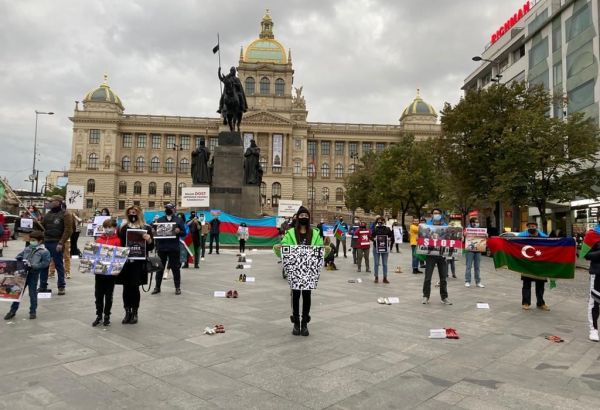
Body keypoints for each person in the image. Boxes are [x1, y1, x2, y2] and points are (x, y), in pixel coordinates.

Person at [273, 206, 326, 336]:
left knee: (307, 295)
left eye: (305, 216)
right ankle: (296, 323)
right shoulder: (290, 233)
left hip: (309, 270)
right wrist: (281, 247)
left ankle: (305, 323)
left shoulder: (315, 233)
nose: (303, 218)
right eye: (301, 216)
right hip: (295, 269)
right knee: (295, 295)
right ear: (297, 217)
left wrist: (324, 249)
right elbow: (284, 247)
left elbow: (319, 248)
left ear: (308, 218)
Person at [117, 206, 154, 324]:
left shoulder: (146, 228)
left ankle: (135, 312)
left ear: (139, 214)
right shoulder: (123, 228)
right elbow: (119, 244)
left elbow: (151, 247)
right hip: (126, 262)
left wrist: (148, 240)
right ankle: (127, 311)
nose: (132, 215)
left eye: (134, 213)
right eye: (130, 213)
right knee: (126, 288)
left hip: (138, 263)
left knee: (135, 287)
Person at [4, 231, 51, 321]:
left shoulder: (44, 252)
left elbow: (46, 263)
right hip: (23, 274)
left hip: (33, 274)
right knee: (17, 292)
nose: (31, 242)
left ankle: (32, 311)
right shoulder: (28, 248)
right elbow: (20, 255)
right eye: (31, 240)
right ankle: (12, 311)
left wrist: (36, 266)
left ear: (40, 241)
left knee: (32, 294)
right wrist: (18, 258)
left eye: (33, 240)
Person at [39, 195, 73, 295]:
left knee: (59, 265)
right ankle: (42, 286)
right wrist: (36, 222)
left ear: (58, 202)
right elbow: (42, 226)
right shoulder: (48, 214)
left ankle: (61, 286)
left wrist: (61, 242)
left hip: (57, 243)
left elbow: (68, 230)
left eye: (52, 201)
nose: (50, 203)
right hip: (46, 242)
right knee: (44, 265)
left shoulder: (66, 214)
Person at [152, 204, 186, 295]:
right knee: (159, 269)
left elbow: (184, 233)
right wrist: (153, 231)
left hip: (174, 248)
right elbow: (155, 233)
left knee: (175, 268)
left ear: (174, 209)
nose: (168, 210)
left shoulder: (178, 220)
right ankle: (157, 287)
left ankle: (177, 287)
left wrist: (179, 232)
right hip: (162, 248)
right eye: (166, 208)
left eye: (170, 208)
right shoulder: (159, 220)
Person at [93, 219, 121, 327]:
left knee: (109, 296)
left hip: (110, 273)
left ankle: (107, 316)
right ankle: (99, 315)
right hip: (99, 272)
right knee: (98, 295)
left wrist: (117, 269)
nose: (108, 229)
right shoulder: (99, 240)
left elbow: (119, 257)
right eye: (106, 227)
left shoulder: (117, 240)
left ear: (115, 228)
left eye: (111, 227)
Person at [422, 208, 452, 305]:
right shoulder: (427, 225)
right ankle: (426, 296)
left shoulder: (445, 226)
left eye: (438, 213)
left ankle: (444, 297)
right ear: (431, 215)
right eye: (435, 213)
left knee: (443, 277)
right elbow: (423, 237)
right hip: (430, 254)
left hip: (442, 254)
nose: (437, 215)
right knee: (428, 277)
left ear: (441, 215)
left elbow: (449, 238)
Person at [518, 221, 550, 311]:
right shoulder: (522, 237)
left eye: (534, 226)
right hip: (527, 264)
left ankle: (541, 303)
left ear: (537, 227)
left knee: (540, 286)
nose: (532, 227)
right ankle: (526, 303)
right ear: (527, 227)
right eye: (530, 226)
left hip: (540, 264)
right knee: (526, 285)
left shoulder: (544, 237)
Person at [583, 217, 600, 342]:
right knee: (595, 302)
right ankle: (593, 329)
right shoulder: (592, 234)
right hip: (598, 273)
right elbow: (586, 255)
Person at [464, 217, 485, 288]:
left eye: (477, 222)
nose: (476, 223)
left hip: (478, 250)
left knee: (477, 267)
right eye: (475, 222)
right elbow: (463, 239)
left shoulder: (481, 230)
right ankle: (467, 281)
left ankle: (478, 282)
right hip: (469, 250)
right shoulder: (467, 229)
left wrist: (486, 236)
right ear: (471, 223)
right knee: (468, 266)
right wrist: (464, 235)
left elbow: (483, 240)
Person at [372, 216, 393, 283]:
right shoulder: (375, 229)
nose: (380, 222)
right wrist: (373, 239)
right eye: (379, 221)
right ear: (377, 222)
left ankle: (385, 277)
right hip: (376, 247)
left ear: (384, 222)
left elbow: (392, 236)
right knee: (376, 263)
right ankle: (376, 277)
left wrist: (390, 239)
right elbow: (371, 236)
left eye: (382, 221)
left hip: (385, 248)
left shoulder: (388, 229)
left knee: (385, 264)